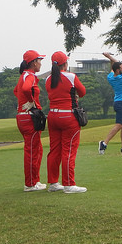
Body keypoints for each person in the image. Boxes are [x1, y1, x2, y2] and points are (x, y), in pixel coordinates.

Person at [45, 51, 88, 194]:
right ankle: (69, 184)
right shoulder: (71, 76)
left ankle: (53, 183)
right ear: (65, 63)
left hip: (53, 116)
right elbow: (82, 92)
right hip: (68, 116)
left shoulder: (48, 79)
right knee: (68, 150)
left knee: (54, 151)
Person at [14, 50, 46, 191]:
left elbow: (16, 91)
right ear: (33, 62)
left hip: (24, 115)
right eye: (39, 61)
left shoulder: (24, 75)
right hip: (29, 117)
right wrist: (31, 102)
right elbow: (26, 89)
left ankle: (35, 180)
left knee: (36, 149)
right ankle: (30, 183)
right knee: (32, 151)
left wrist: (22, 102)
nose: (40, 64)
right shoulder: (30, 76)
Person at [99, 52, 122, 155]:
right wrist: (109, 56)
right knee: (120, 125)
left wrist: (109, 58)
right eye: (121, 68)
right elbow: (116, 63)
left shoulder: (111, 77)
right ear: (118, 70)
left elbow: (113, 67)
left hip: (118, 102)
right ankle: (104, 143)